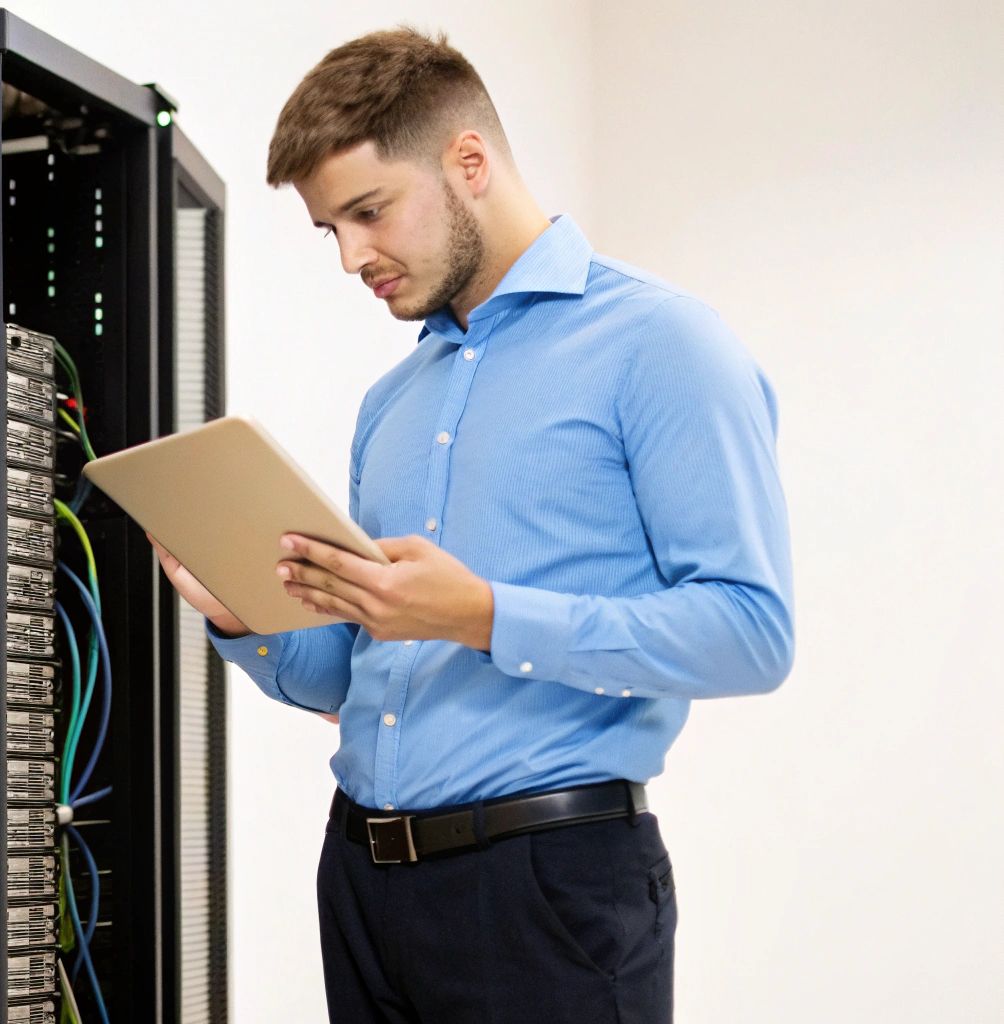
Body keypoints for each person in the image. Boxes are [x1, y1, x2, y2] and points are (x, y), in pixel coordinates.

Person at [150, 27, 794, 1024]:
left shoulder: (661, 344)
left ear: (467, 161)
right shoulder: (391, 404)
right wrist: (243, 616)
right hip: (362, 881)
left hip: (546, 890)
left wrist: (484, 614)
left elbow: (749, 633)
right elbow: (347, 674)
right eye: (330, 230)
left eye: (368, 212)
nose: (351, 256)